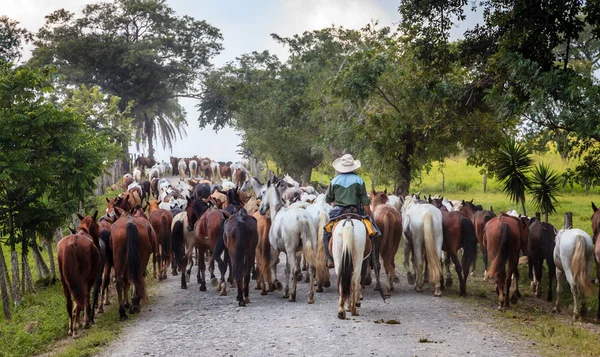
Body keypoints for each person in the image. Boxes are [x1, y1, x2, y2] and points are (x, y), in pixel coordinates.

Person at [323, 154, 380, 268]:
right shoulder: (359, 180)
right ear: (353, 167)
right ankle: (373, 260)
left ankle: (329, 258)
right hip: (356, 211)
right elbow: (365, 202)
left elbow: (328, 199)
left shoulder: (334, 181)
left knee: (326, 233)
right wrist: (369, 216)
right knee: (374, 233)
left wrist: (337, 202)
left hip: (338, 212)